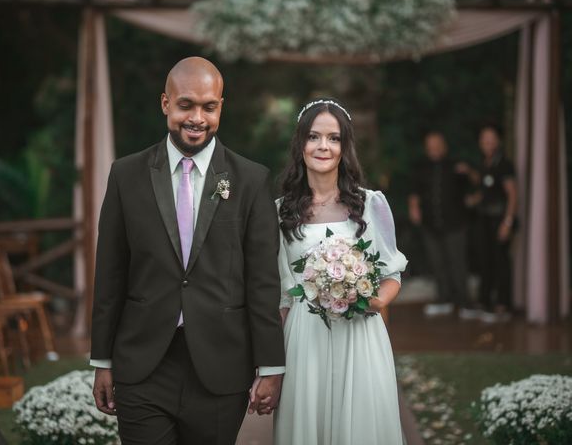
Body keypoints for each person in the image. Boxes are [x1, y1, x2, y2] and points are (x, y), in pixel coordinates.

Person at [90, 57, 285, 445]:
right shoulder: (126, 175)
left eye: (208, 107)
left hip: (221, 367)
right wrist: (102, 361)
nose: (197, 117)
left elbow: (263, 281)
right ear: (166, 103)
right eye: (186, 105)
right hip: (142, 365)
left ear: (220, 108)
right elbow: (110, 272)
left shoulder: (250, 180)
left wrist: (271, 365)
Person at [273, 99, 408, 444]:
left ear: (344, 147)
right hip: (305, 339)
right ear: (300, 144)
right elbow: (283, 296)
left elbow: (393, 273)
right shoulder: (279, 212)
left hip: (360, 333)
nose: (323, 146)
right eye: (314, 137)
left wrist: (374, 301)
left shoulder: (370, 203)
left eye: (333, 138)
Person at [408, 131, 474, 318]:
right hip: (430, 223)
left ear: (444, 146)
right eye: (430, 145)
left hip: (455, 223)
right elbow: (414, 192)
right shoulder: (421, 168)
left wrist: (469, 172)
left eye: (437, 144)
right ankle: (444, 299)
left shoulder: (456, 166)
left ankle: (464, 302)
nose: (434, 148)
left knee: (458, 262)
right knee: (437, 263)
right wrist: (414, 209)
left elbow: (475, 186)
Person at [466, 126, 517, 322]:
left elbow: (512, 194)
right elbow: (484, 190)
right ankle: (484, 301)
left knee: (500, 261)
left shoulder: (504, 164)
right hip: (483, 218)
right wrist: (472, 200)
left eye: (491, 139)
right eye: (484, 139)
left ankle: (503, 304)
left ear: (498, 141)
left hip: (499, 218)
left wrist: (508, 221)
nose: (487, 143)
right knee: (484, 259)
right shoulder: (484, 163)